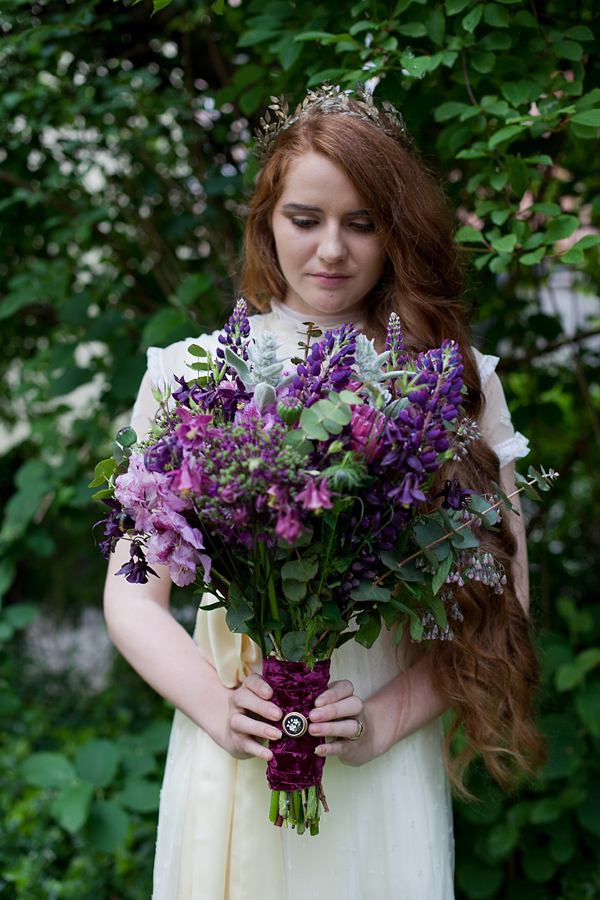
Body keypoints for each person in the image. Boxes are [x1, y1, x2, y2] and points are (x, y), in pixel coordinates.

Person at [103, 84, 545, 900]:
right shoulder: (186, 376)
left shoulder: (454, 379)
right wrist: (217, 706)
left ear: (396, 230)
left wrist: (385, 721)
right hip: (234, 735)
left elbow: (501, 595)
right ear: (268, 220)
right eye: (306, 219)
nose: (332, 250)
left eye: (363, 223)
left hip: (376, 745)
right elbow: (133, 593)